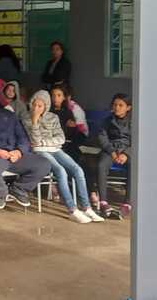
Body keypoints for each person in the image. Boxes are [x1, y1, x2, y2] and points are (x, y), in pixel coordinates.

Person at [22, 90, 103, 224]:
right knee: (60, 171)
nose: (36, 108)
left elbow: (61, 138)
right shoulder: (26, 118)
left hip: (55, 148)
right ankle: (72, 209)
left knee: (77, 169)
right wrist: (35, 121)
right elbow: (35, 141)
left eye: (40, 106)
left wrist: (45, 142)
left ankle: (87, 207)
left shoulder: (53, 117)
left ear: (46, 106)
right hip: (39, 151)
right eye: (34, 105)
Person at [95, 93, 133, 217]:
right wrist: (112, 152)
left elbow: (138, 140)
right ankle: (103, 202)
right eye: (115, 104)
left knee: (135, 167)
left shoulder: (134, 121)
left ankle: (128, 203)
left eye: (121, 105)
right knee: (101, 165)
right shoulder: (107, 120)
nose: (117, 107)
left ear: (128, 108)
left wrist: (126, 154)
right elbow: (102, 138)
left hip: (128, 150)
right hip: (111, 150)